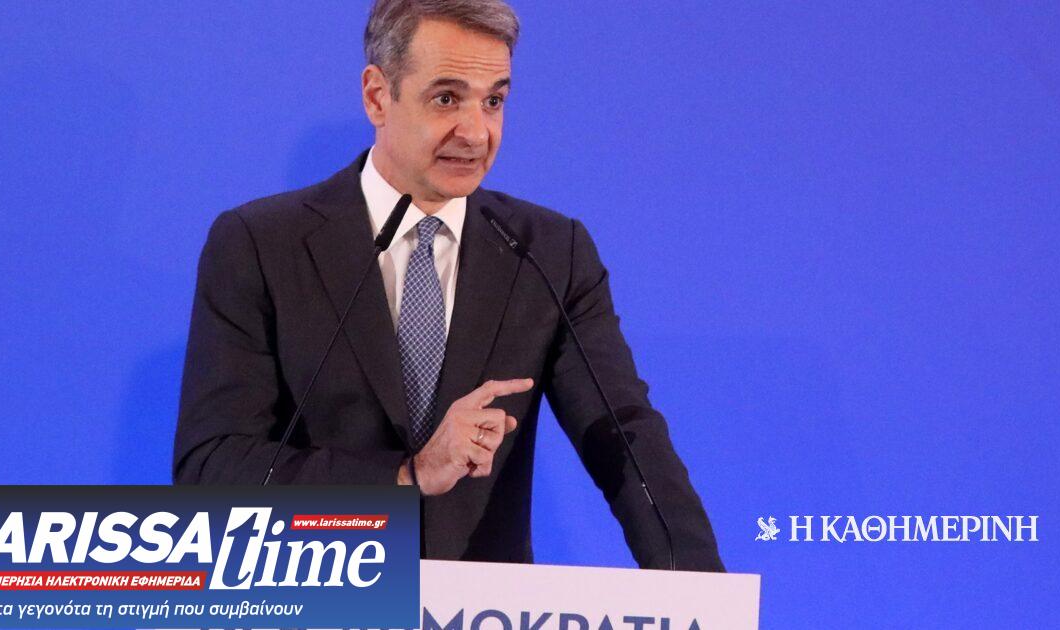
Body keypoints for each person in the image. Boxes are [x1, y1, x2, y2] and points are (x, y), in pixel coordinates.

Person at [174, 0, 724, 572]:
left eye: (494, 101)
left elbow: (623, 436)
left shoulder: (548, 252)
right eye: (446, 98)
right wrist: (404, 476)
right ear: (377, 96)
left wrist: (703, 593)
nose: (476, 132)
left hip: (481, 608)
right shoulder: (261, 244)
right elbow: (212, 468)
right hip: (318, 592)